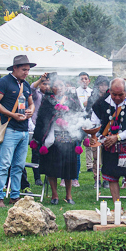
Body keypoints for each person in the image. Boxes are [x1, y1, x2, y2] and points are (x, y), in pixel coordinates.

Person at [85, 78, 126, 205]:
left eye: (120, 95)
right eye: (114, 94)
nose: (117, 98)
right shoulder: (100, 105)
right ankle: (116, 207)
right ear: (109, 91)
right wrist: (96, 137)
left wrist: (117, 137)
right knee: (112, 176)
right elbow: (94, 124)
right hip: (109, 146)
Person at [0, 55, 36, 207]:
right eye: (24, 69)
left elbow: (32, 104)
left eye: (28, 70)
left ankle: (15, 195)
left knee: (18, 166)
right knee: (4, 164)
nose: (26, 73)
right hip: (10, 128)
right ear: (15, 68)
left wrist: (30, 111)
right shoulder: (4, 82)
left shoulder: (26, 85)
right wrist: (11, 114)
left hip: (24, 130)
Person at [32, 74, 82, 205]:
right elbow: (42, 119)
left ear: (65, 86)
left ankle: (69, 195)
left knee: (68, 168)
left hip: (69, 137)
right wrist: (55, 113)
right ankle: (54, 194)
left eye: (61, 85)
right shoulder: (47, 100)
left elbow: (79, 115)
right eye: (55, 85)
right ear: (51, 88)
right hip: (52, 138)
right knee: (51, 168)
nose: (59, 88)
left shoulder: (73, 100)